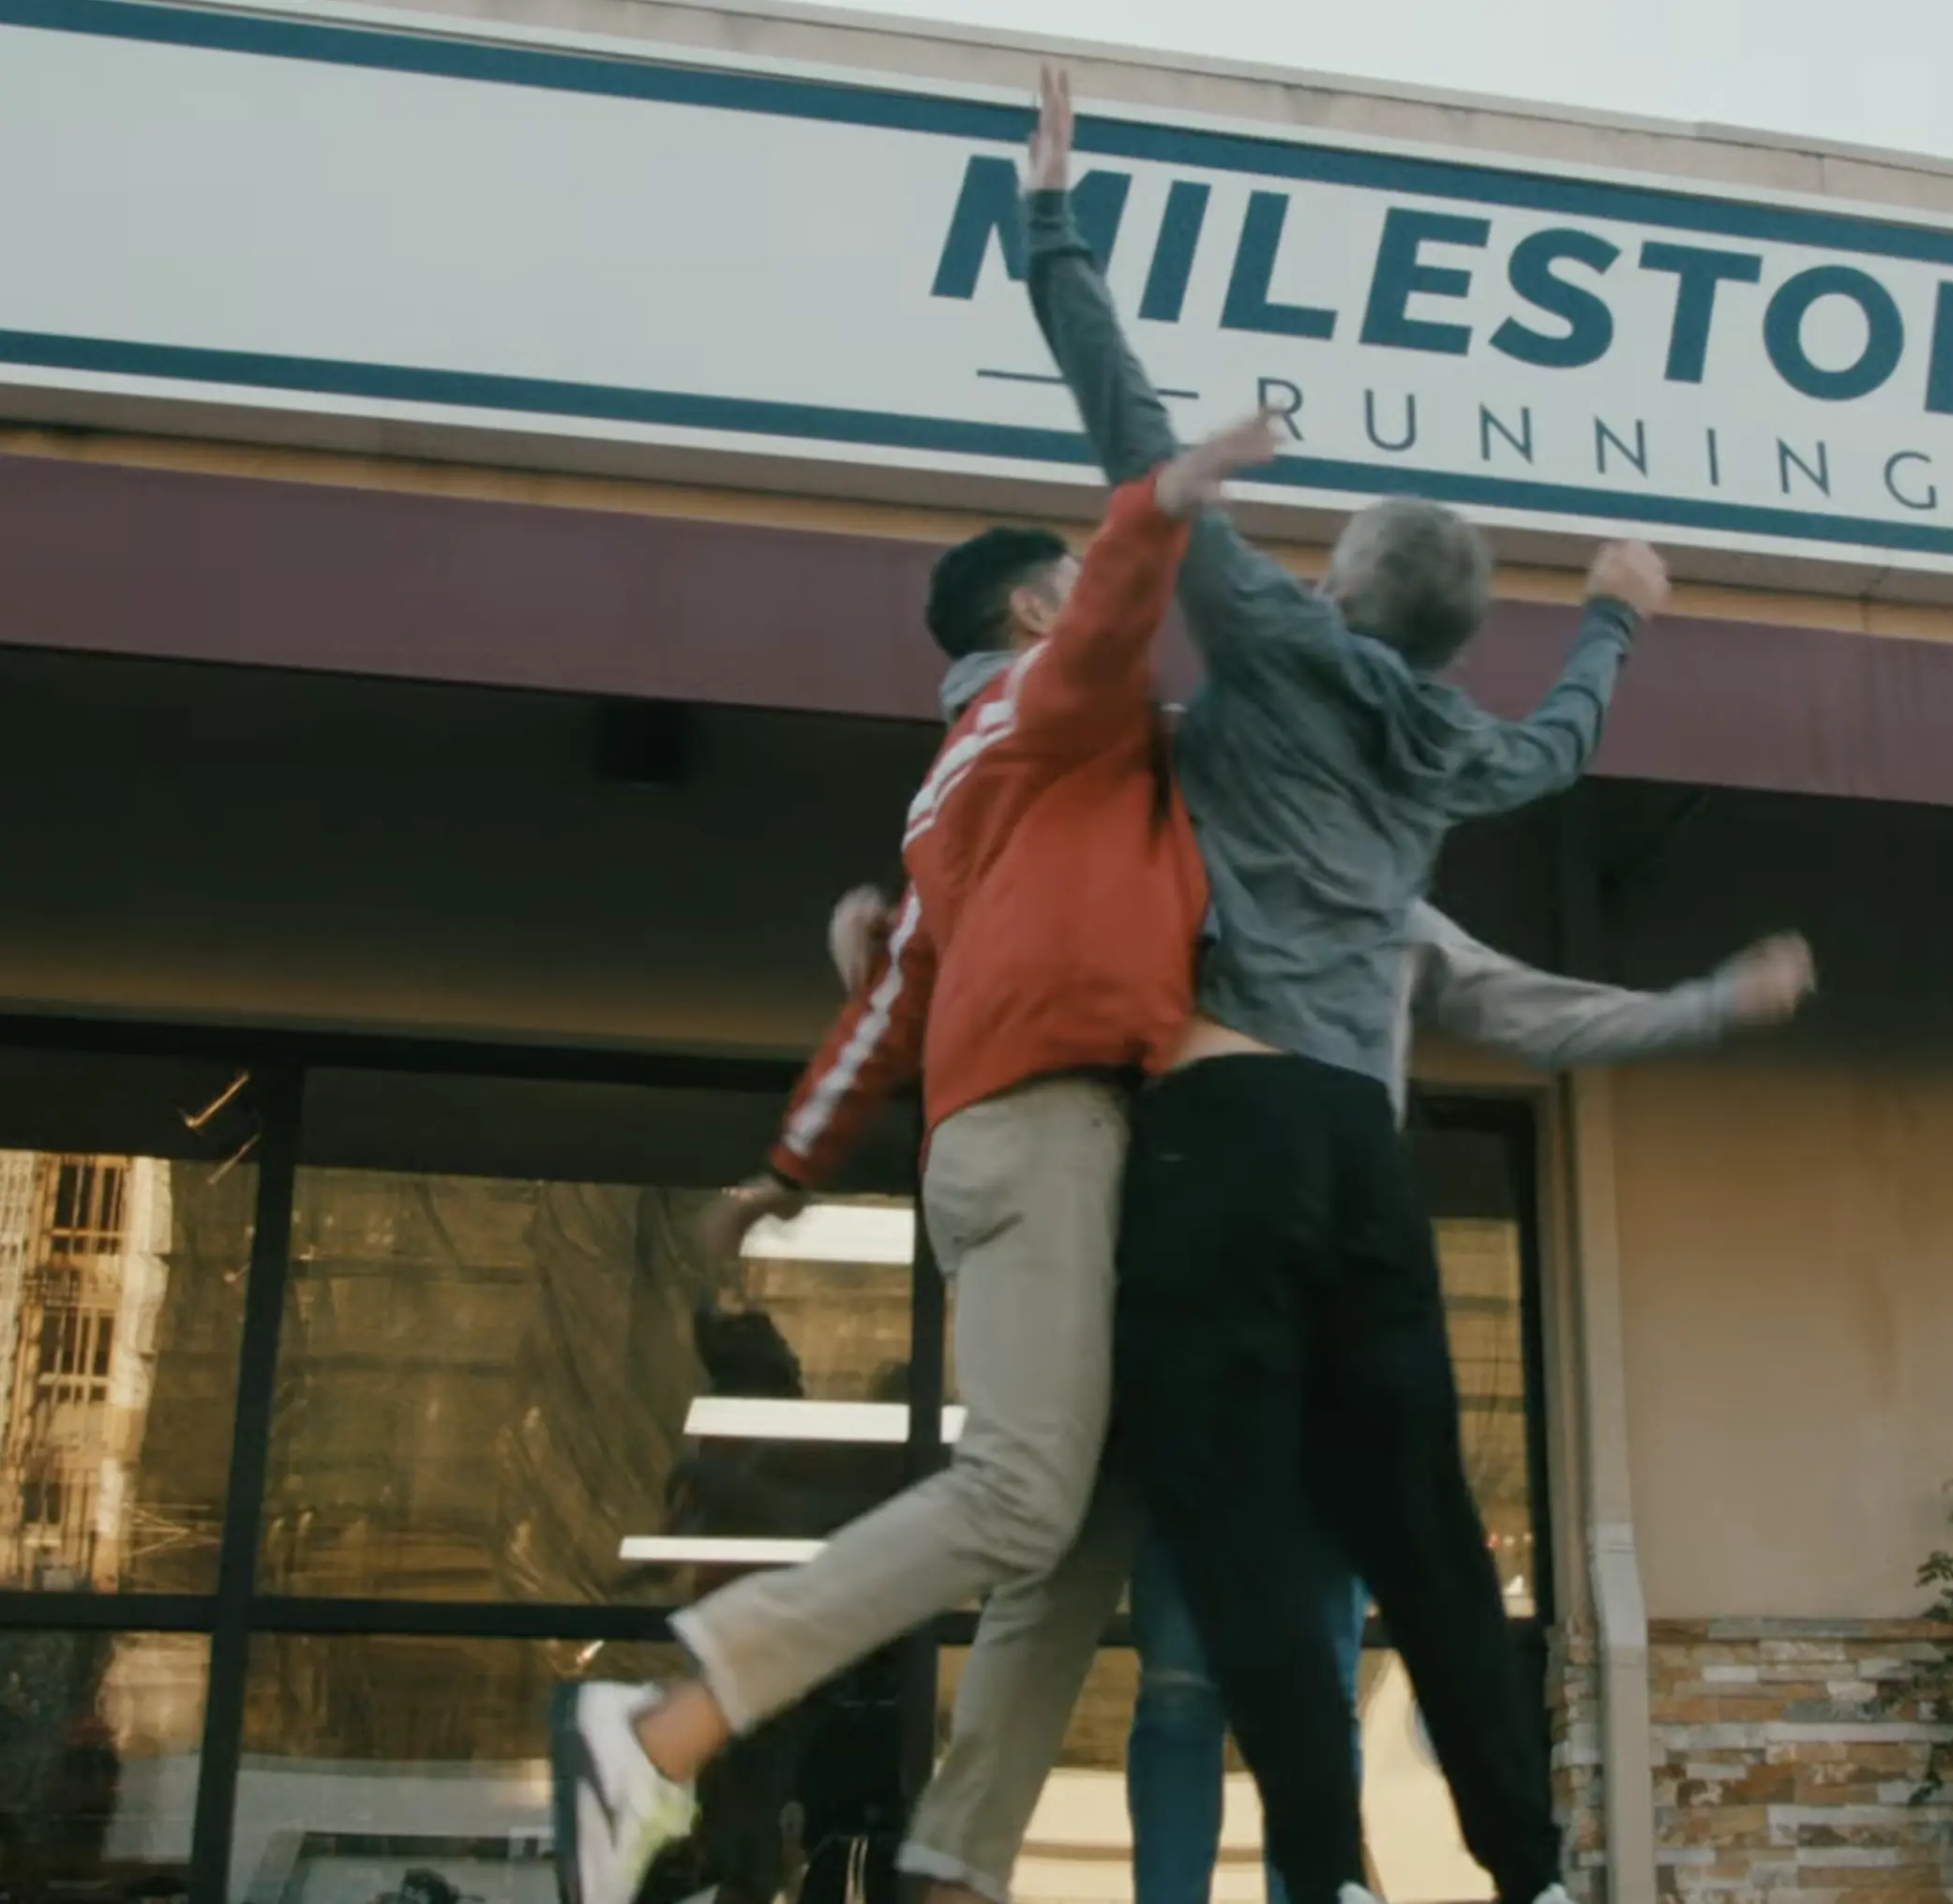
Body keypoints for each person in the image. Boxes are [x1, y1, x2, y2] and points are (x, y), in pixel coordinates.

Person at [1021, 66, 1667, 1904]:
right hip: (1366, 1159)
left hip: (1225, 1125)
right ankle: (1532, 1866)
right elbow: (1554, 746)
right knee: (1429, 1534)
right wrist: (1617, 608)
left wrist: (1053, 212)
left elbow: (1126, 424)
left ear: (1340, 575)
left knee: (1223, 1505)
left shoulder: (1280, 631)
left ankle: (1316, 1861)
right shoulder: (1455, 742)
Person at [547, 412, 1286, 1904]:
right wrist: (1163, 498)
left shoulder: (967, 774)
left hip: (1036, 1132)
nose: (1096, 607)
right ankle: (670, 1710)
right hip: (1051, 1123)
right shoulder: (1048, 702)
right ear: (1031, 613)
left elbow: (899, 992)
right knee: (1021, 1498)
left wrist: (791, 1160)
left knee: (1076, 1530)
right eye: (1072, 583)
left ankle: (952, 1859)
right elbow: (1102, 642)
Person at [823, 890, 1815, 1904]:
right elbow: (1037, 956)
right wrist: (895, 954)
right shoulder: (1193, 890)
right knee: (1180, 1679)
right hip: (1194, 1294)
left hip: (1338, 1307)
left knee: (1321, 1672)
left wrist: (1709, 1004)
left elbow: (1535, 1009)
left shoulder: (1383, 911)